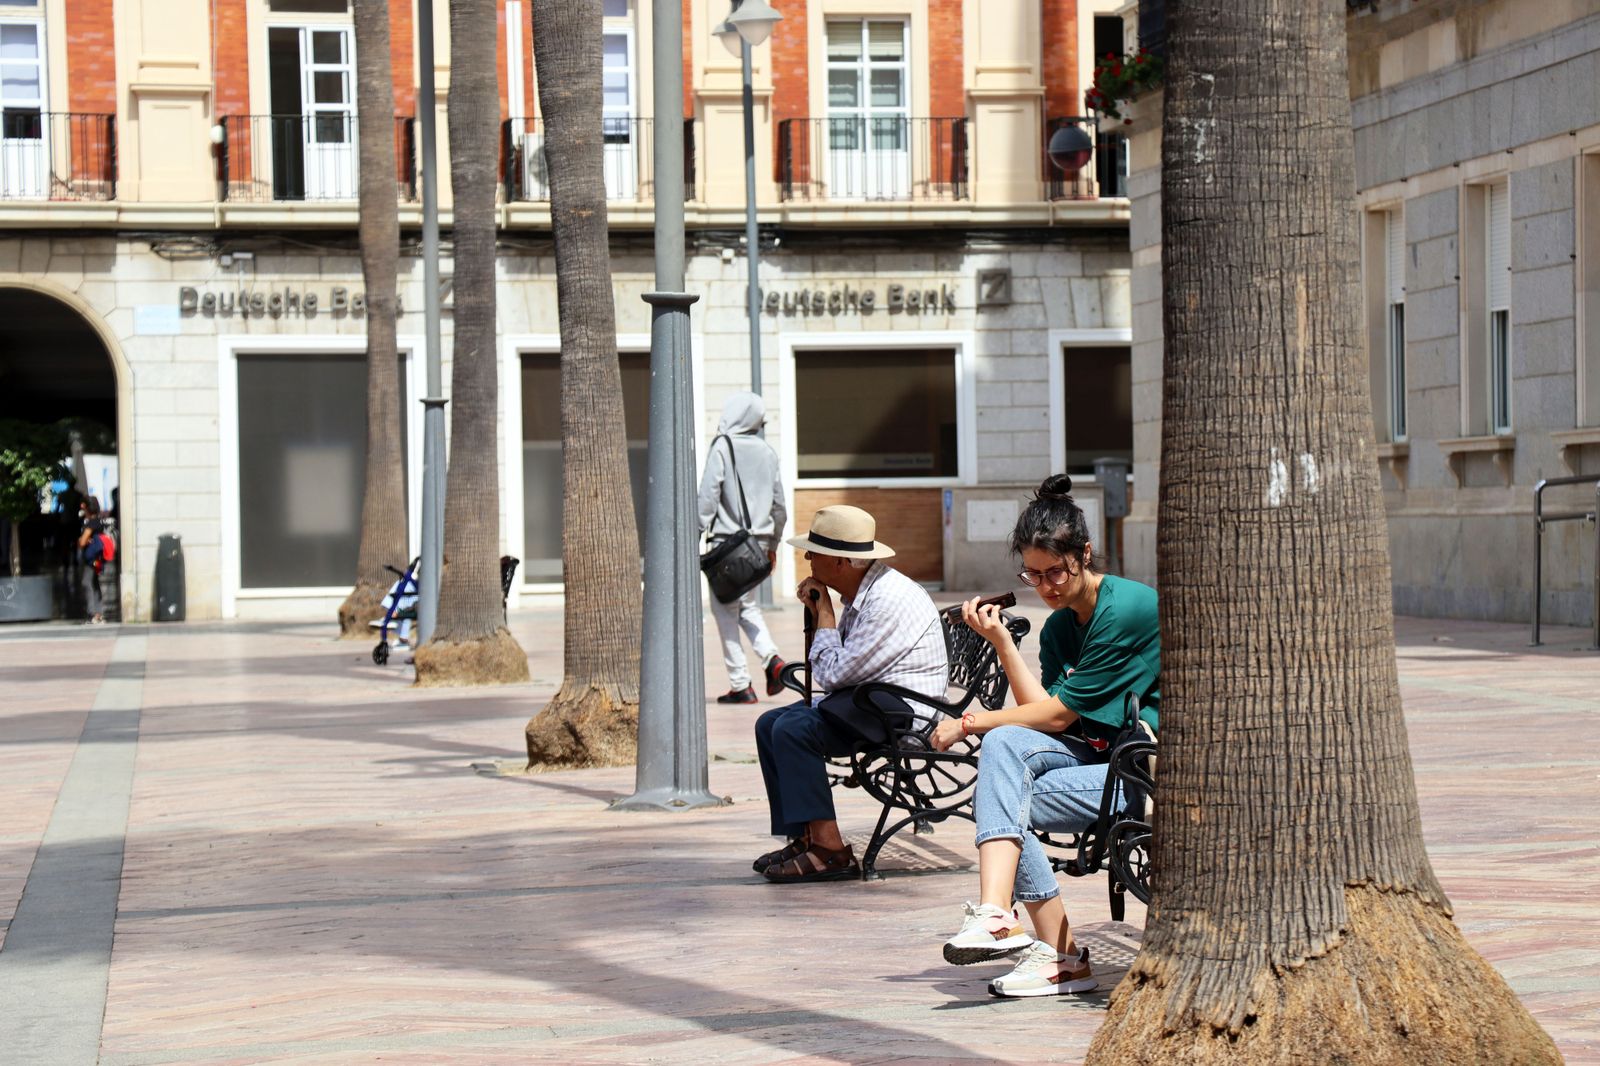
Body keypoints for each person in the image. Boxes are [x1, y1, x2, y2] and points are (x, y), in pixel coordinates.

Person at [929, 474, 1159, 997]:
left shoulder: (1121, 609)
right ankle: (998, 917)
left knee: (1003, 793)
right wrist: (1004, 643)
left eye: (1055, 571)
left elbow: (1055, 719)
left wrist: (968, 721)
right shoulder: (1059, 627)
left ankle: (1057, 954)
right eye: (1033, 576)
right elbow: (1041, 715)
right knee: (1005, 759)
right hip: (1096, 761)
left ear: (1085, 552)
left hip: (1139, 769)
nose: (1047, 586)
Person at [752, 505, 949, 883]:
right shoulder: (867, 591)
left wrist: (823, 612)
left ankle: (830, 851)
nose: (807, 558)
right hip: (873, 698)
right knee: (770, 724)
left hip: (901, 714)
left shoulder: (886, 601)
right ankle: (806, 836)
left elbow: (833, 674)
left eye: (814, 552)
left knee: (793, 729)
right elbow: (841, 670)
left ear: (841, 562)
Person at [698, 391, 788, 704]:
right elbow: (780, 507)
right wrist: (772, 544)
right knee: (746, 606)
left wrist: (693, 534)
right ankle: (772, 660)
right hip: (758, 547)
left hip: (727, 548)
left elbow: (708, 497)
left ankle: (741, 684)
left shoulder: (723, 446)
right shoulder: (768, 451)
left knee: (724, 611)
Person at [76, 496, 107, 624]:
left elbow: (82, 542)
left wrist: (80, 540)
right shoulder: (99, 522)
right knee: (95, 582)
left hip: (90, 558)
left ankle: (92, 613)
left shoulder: (90, 523)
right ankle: (99, 613)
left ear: (87, 507)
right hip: (99, 557)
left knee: (86, 582)